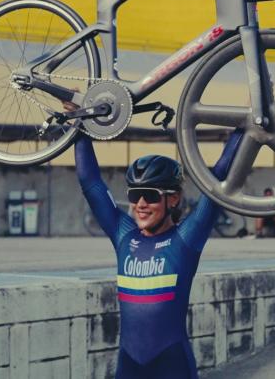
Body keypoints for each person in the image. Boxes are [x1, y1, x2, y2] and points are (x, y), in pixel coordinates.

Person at [75, 130, 243, 379]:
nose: (141, 204)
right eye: (134, 195)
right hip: (129, 365)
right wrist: (79, 127)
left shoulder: (185, 239)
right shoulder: (124, 235)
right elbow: (90, 182)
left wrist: (245, 128)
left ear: (173, 199)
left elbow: (219, 178)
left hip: (172, 364)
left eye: (151, 195)